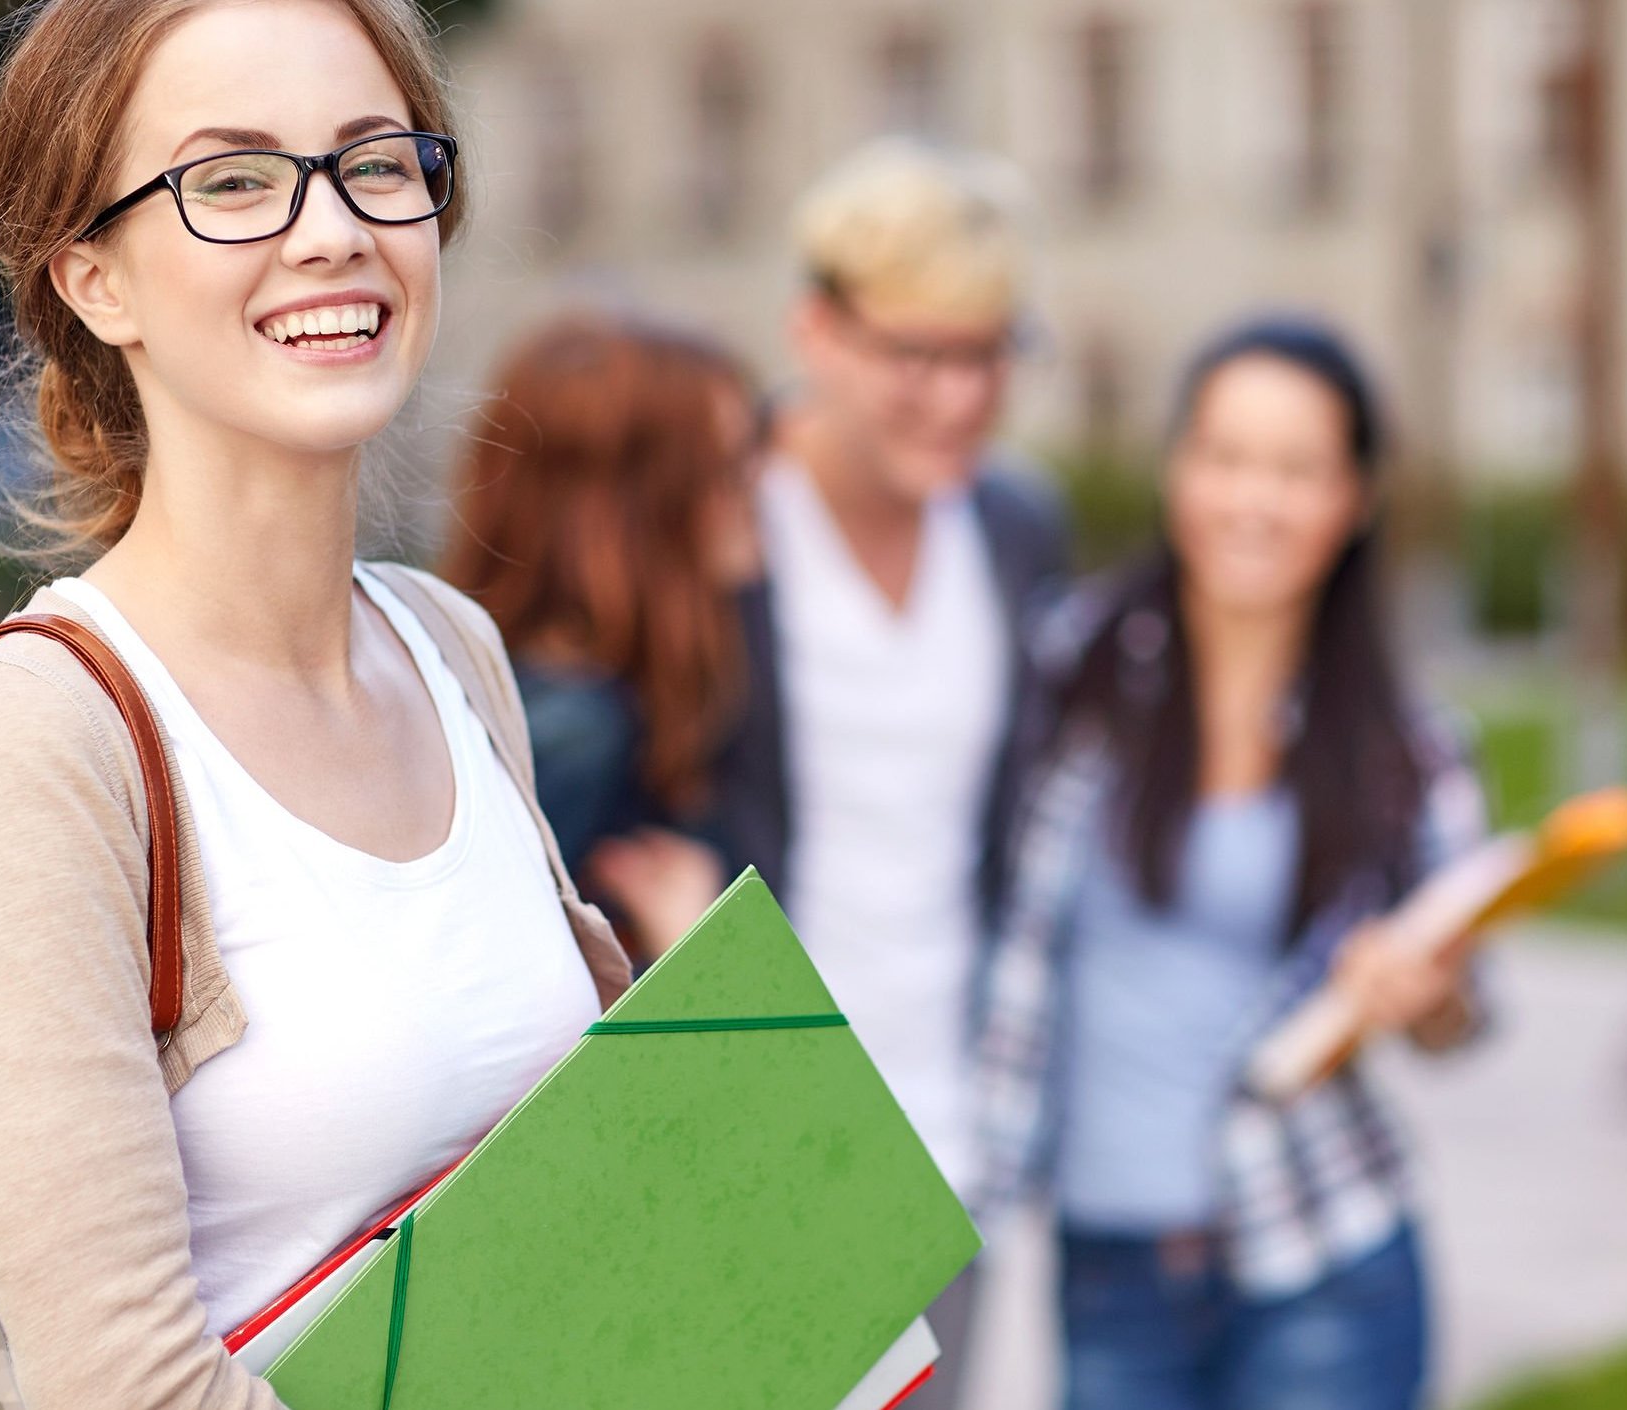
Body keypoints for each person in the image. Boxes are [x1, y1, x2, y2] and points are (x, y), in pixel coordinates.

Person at [0, 2, 629, 1405]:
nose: (334, 228)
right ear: (93, 278)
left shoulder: (450, 648)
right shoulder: (41, 735)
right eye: (232, 179)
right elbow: (126, 1384)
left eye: (376, 162)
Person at [971, 317, 1491, 1410]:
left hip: (1323, 1259)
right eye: (1226, 458)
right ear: (1178, 470)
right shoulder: (1069, 674)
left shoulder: (1407, 750)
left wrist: (1424, 994)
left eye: (1297, 470)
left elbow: (1463, 1013)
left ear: (1355, 498)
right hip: (1109, 1268)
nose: (1254, 500)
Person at [713, 138, 1069, 1402]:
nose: (961, 398)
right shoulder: (723, 516)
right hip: (746, 1133)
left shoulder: (1019, 529)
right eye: (917, 355)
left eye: (989, 354)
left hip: (943, 1140)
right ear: (817, 329)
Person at [439, 315, 763, 961]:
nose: (757, 492)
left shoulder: (598, 698)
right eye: (728, 469)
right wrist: (696, 954)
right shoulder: (569, 731)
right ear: (631, 506)